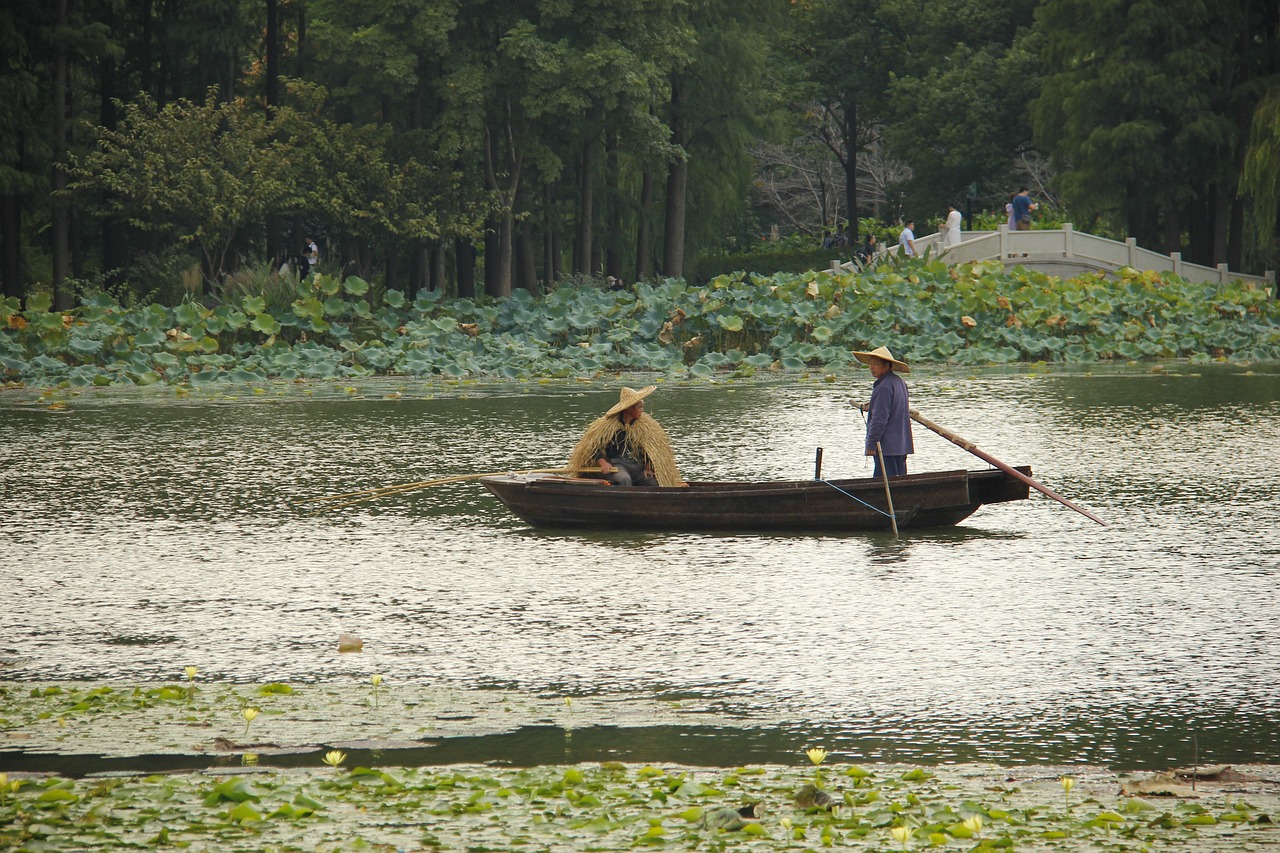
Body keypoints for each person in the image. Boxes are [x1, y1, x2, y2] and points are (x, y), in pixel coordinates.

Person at [567, 386, 685, 487]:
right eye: (639, 407)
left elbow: (650, 449)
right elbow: (593, 446)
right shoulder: (609, 427)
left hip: (637, 467)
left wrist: (648, 467)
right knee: (624, 480)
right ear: (630, 408)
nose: (642, 410)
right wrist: (603, 463)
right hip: (617, 465)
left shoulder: (643, 427)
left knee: (653, 483)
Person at [853, 345, 914, 478]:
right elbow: (895, 407)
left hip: (887, 448)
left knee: (884, 484)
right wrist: (873, 404)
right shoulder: (899, 383)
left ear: (887, 365)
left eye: (875, 364)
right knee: (899, 484)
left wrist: (871, 443)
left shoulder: (883, 387)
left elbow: (879, 420)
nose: (871, 367)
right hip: (901, 445)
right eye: (870, 363)